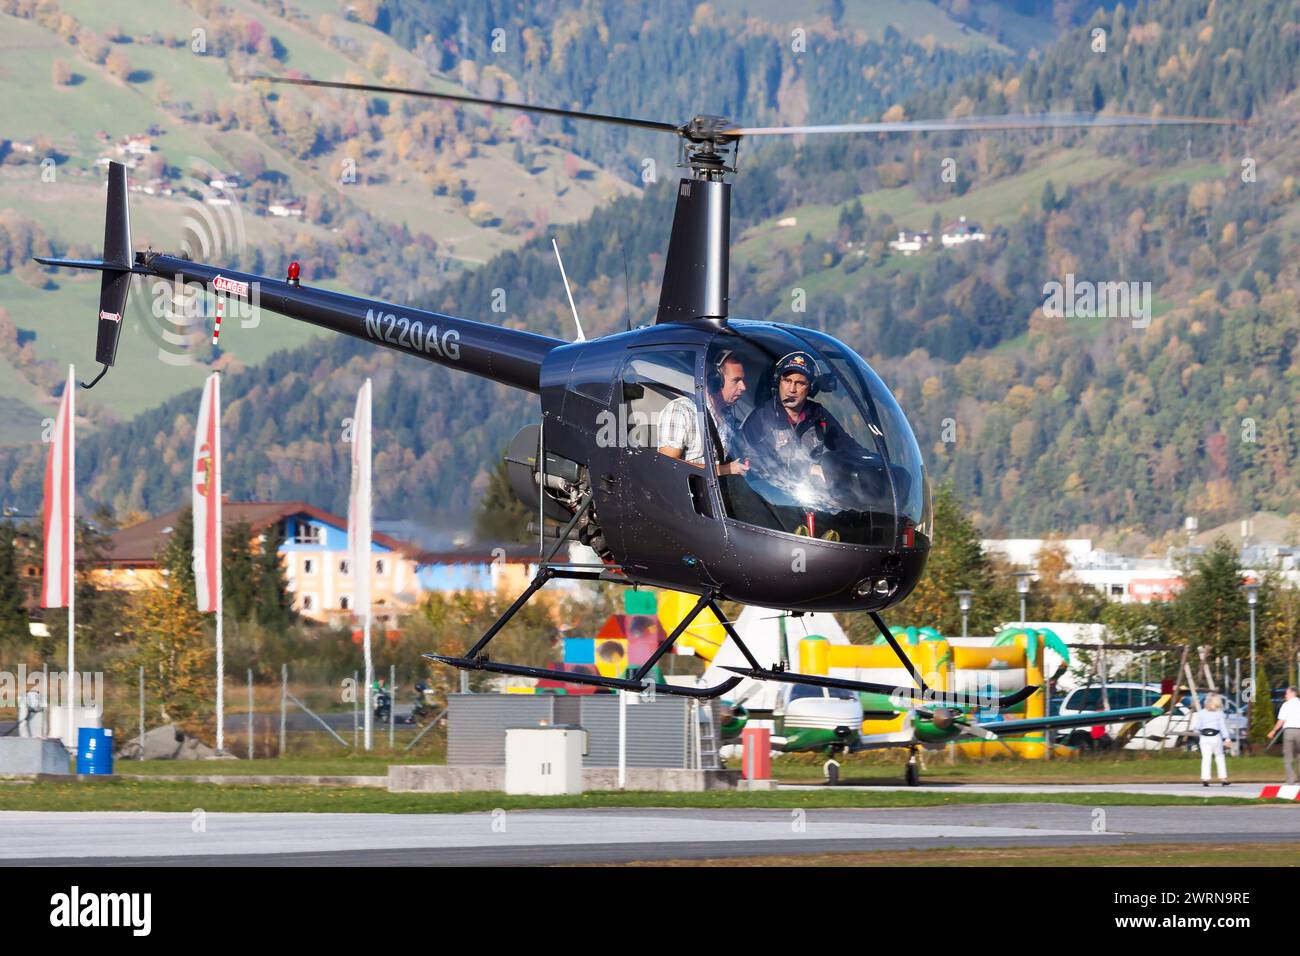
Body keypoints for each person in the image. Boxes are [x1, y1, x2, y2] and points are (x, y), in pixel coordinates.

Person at [741, 350, 867, 485]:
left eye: (800, 383)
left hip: (815, 497)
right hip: (773, 497)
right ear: (778, 382)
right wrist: (809, 469)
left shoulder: (818, 415)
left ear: (811, 388)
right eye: (787, 381)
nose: (792, 389)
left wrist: (874, 463)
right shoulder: (761, 418)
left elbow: (848, 447)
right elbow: (757, 463)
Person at [657, 349, 750, 476]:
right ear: (715, 381)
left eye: (743, 380)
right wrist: (726, 469)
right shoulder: (682, 411)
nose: (743, 387)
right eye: (736, 380)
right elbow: (666, 465)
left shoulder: (729, 418)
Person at [1191, 693, 1230, 786]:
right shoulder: (1219, 713)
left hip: (1204, 738)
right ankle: (1223, 778)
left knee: (1206, 758)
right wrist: (1227, 738)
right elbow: (1222, 727)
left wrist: (1199, 730)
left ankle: (1205, 778)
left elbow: (1196, 727)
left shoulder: (1201, 713)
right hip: (1216, 737)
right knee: (1219, 757)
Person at [1266, 686, 1300, 785]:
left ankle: (1291, 779)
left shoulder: (1286, 705)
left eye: (1287, 693)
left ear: (1292, 693)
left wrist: (1273, 731)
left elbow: (1281, 721)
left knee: (1288, 757)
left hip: (1289, 732)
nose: (1285, 695)